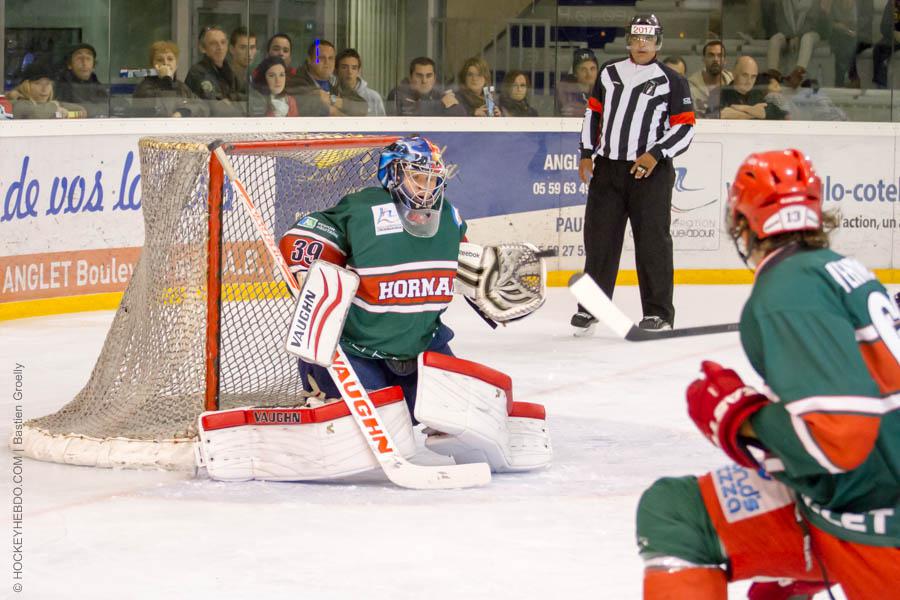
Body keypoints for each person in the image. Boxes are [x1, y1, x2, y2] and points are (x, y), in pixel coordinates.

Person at [635, 148, 900, 600]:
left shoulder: (790, 288)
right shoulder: (844, 271)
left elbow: (839, 435)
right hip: (871, 493)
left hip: (870, 524)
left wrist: (743, 417)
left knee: (676, 514)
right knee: (678, 506)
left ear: (741, 222)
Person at [277, 137, 462, 408]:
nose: (426, 189)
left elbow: (470, 262)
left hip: (422, 346)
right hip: (356, 350)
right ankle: (326, 390)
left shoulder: (449, 216)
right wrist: (308, 268)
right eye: (418, 178)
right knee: (380, 418)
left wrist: (487, 283)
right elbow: (307, 234)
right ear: (393, 173)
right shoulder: (363, 210)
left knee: (455, 411)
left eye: (433, 180)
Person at [572, 14, 694, 334]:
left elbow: (685, 128)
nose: (642, 43)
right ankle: (591, 308)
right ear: (628, 39)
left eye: (648, 38)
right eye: (637, 37)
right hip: (608, 170)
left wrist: (655, 154)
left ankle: (658, 313)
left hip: (650, 173)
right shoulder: (609, 72)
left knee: (653, 242)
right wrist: (586, 153)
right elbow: (593, 114)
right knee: (599, 241)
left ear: (658, 42)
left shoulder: (672, 80)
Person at [132, 41, 209, 118]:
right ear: (152, 65)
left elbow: (204, 107)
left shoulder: (181, 87)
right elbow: (166, 111)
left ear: (176, 65)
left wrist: (184, 111)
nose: (166, 63)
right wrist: (166, 80)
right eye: (160, 60)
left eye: (170, 59)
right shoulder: (144, 87)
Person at [291, 39, 367, 116]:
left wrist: (333, 100)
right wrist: (334, 112)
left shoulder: (337, 82)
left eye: (330, 58)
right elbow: (305, 106)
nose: (327, 62)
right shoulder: (297, 82)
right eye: (321, 58)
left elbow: (363, 107)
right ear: (310, 60)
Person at [185, 25, 245, 116]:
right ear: (202, 48)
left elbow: (247, 98)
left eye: (223, 42)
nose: (220, 47)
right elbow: (215, 106)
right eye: (213, 43)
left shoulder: (231, 70)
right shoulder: (197, 72)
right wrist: (233, 102)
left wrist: (231, 98)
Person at [767, 0, 825, 87]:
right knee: (775, 39)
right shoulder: (781, 2)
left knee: (807, 38)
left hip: (810, 33)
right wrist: (789, 37)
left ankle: (798, 73)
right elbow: (779, 21)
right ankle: (773, 74)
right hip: (788, 34)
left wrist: (798, 36)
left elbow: (813, 23)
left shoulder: (814, 2)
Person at [386, 57, 464, 116]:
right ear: (410, 78)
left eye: (429, 76)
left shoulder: (439, 93)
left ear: (434, 78)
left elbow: (461, 114)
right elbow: (407, 112)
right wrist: (440, 105)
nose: (424, 81)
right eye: (419, 76)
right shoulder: (398, 93)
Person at [713, 56, 785, 120]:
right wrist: (754, 113)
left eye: (753, 76)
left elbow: (778, 112)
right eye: (745, 75)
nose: (749, 81)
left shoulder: (757, 94)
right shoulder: (719, 93)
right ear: (734, 73)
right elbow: (721, 114)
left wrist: (746, 108)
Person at [8, 62, 86, 119]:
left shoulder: (51, 106)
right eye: (38, 83)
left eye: (48, 83)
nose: (44, 89)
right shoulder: (16, 104)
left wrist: (59, 110)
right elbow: (35, 113)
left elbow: (81, 111)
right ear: (26, 85)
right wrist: (55, 108)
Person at [54, 43, 109, 117]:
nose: (84, 63)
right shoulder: (61, 86)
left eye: (88, 58)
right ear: (69, 65)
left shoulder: (98, 86)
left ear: (93, 66)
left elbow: (107, 108)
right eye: (79, 58)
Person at [688, 40, 733, 118]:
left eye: (720, 55)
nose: (715, 59)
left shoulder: (733, 81)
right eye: (711, 55)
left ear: (725, 60)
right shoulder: (690, 86)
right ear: (703, 59)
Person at [335, 48, 385, 116]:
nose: (349, 72)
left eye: (354, 68)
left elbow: (382, 122)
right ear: (336, 70)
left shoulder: (373, 97)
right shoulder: (332, 94)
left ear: (358, 71)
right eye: (344, 67)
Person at [556, 48, 598, 117]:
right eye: (584, 69)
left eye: (592, 69)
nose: (589, 74)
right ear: (575, 73)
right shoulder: (567, 91)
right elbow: (569, 112)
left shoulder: (604, 91)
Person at [873, 0, 900, 88]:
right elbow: (884, 27)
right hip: (893, 39)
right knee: (879, 48)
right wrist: (894, 33)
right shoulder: (892, 3)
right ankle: (881, 86)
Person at [228, 26, 257, 95]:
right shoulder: (223, 77)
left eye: (252, 47)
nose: (249, 53)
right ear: (232, 49)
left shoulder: (253, 77)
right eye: (243, 48)